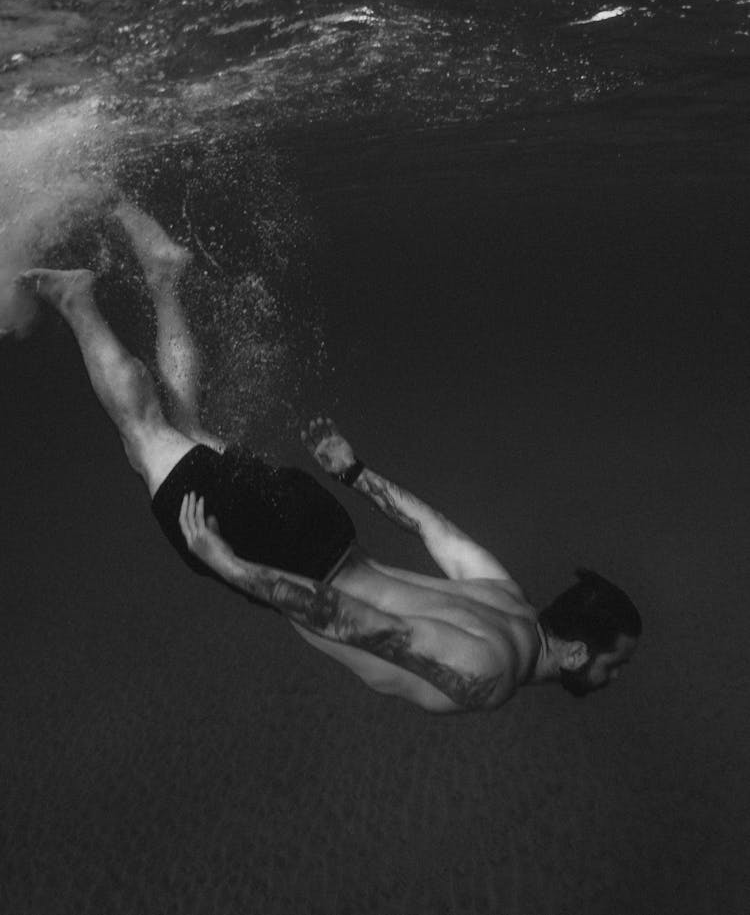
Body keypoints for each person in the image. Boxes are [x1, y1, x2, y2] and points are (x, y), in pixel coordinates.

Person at [12, 207, 641, 714]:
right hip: (287, 559)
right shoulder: (490, 675)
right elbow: (351, 620)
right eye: (616, 664)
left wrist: (353, 474)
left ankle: (163, 276)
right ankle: (74, 300)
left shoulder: (510, 600)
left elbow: (433, 529)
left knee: (183, 428)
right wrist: (232, 568)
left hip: (326, 526)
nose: (615, 678)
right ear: (581, 652)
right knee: (144, 431)